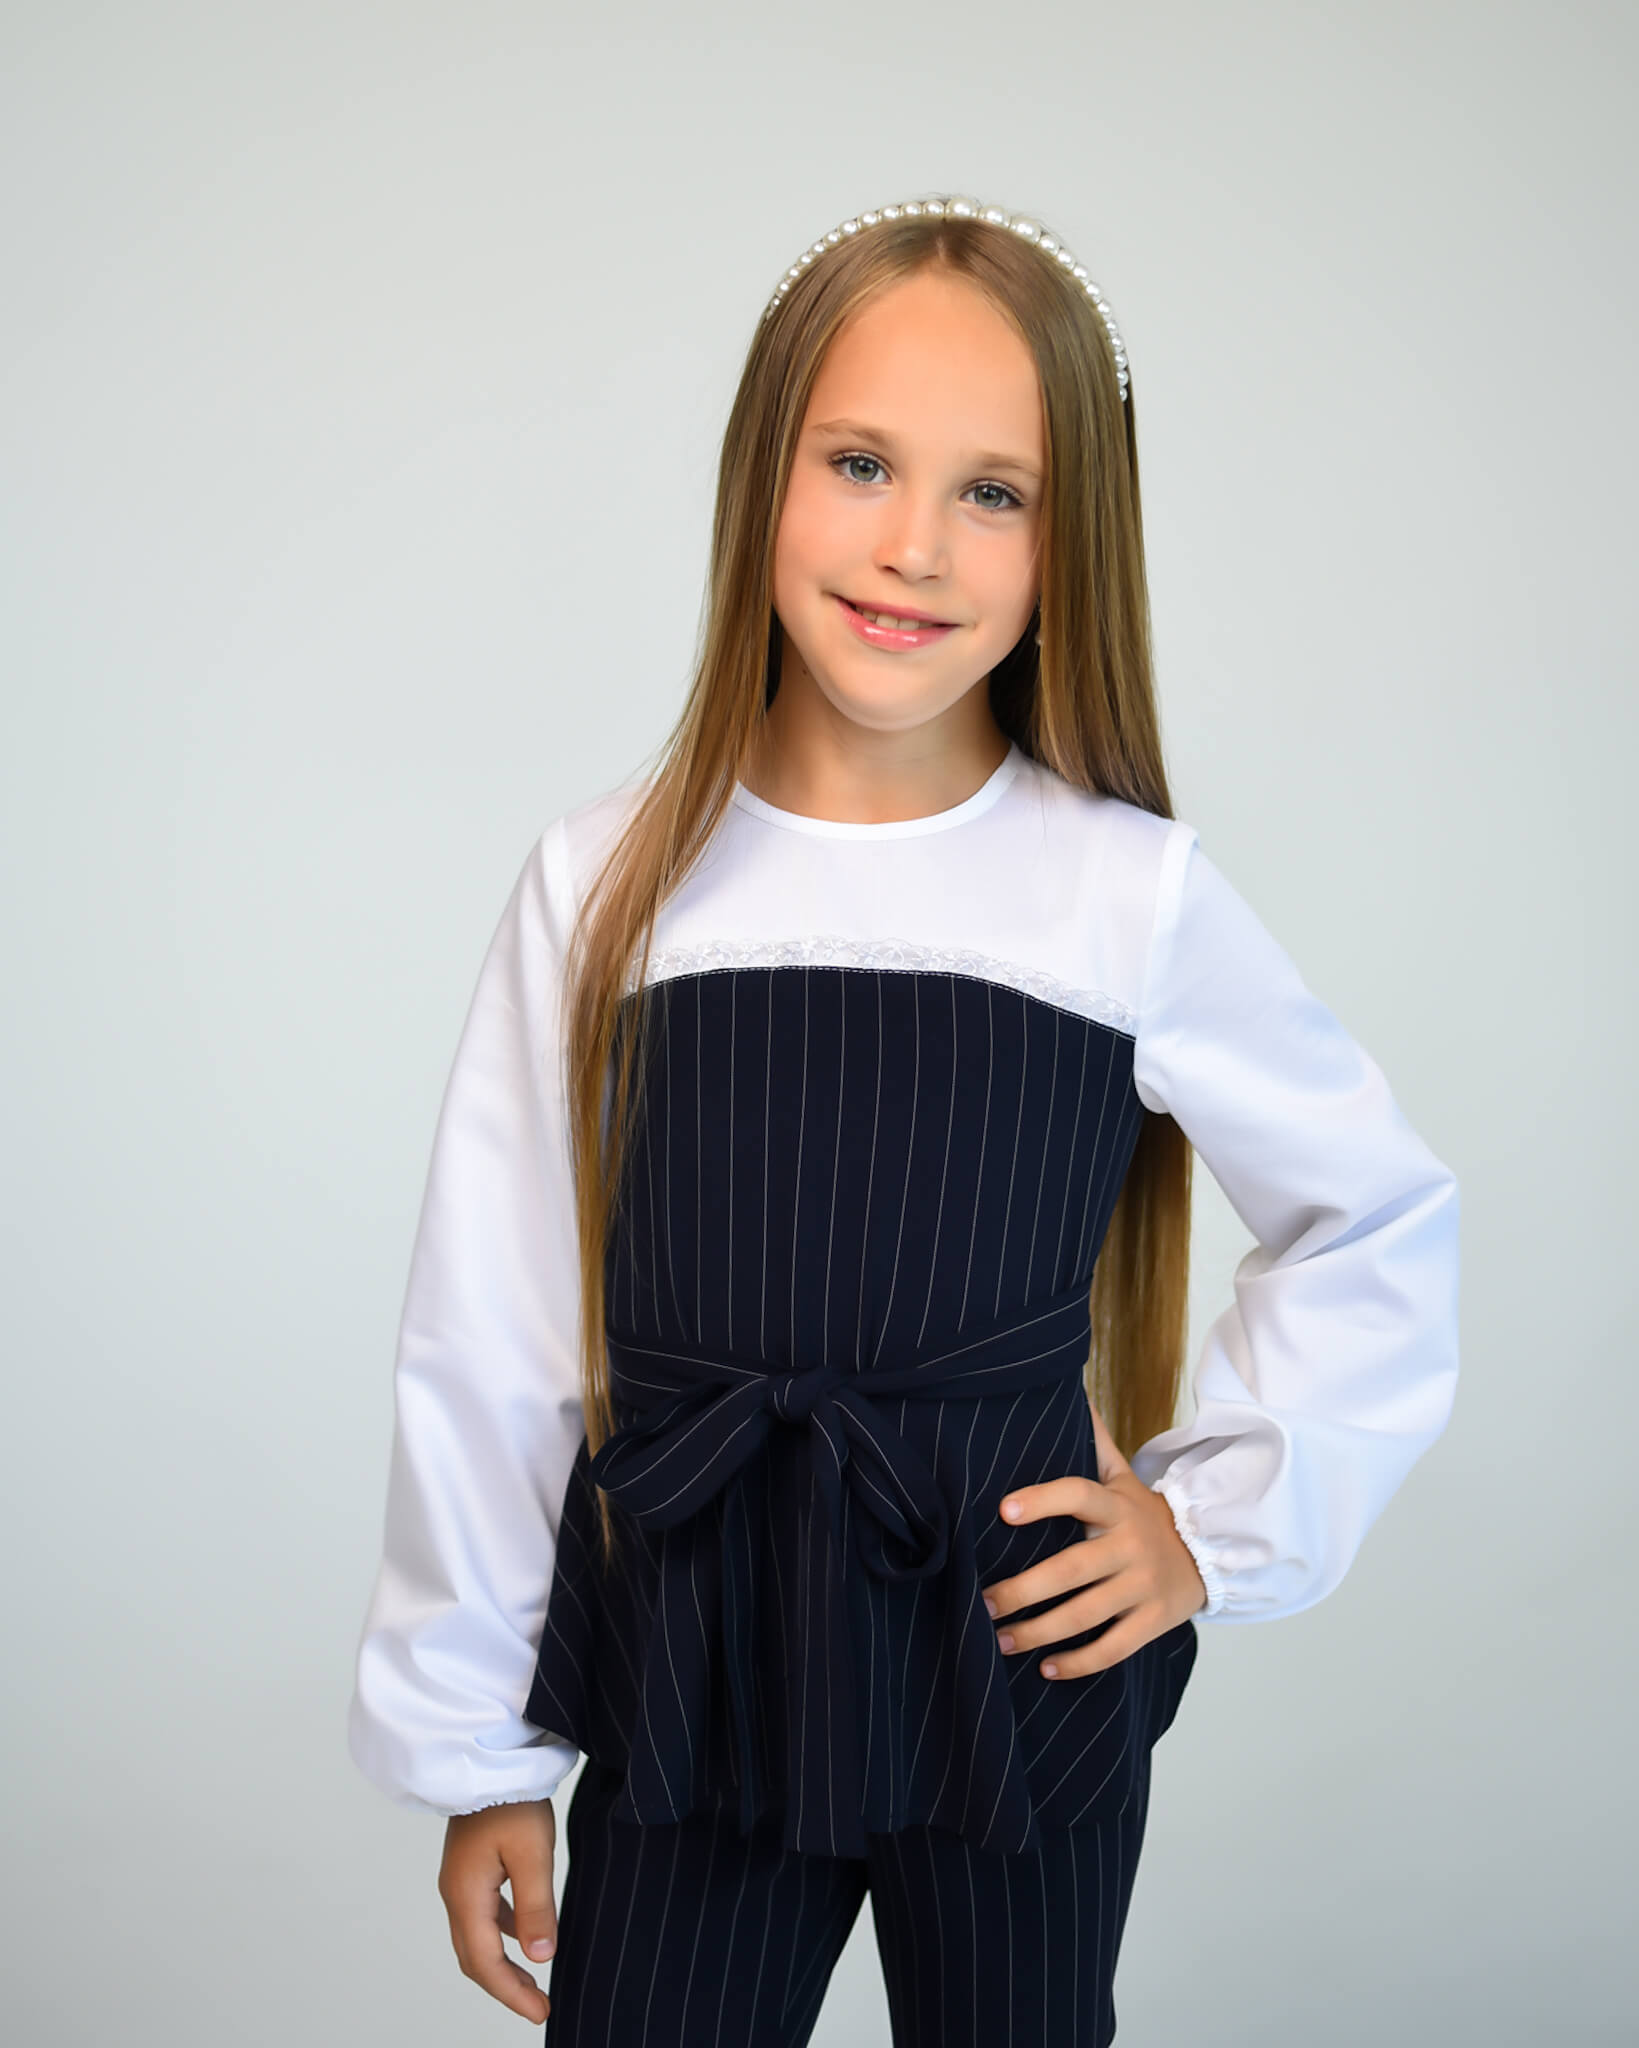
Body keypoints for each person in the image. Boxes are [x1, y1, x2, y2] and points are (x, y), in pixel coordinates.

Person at [347, 194, 1461, 2045]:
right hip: (698, 1658)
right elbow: (495, 1337)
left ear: (1070, 542)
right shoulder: (607, 882)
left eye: (993, 492)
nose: (914, 545)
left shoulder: (1124, 892)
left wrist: (1206, 1530)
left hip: (1019, 1646)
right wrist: (480, 1753)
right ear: (761, 475)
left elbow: (1377, 1215)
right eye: (860, 462)